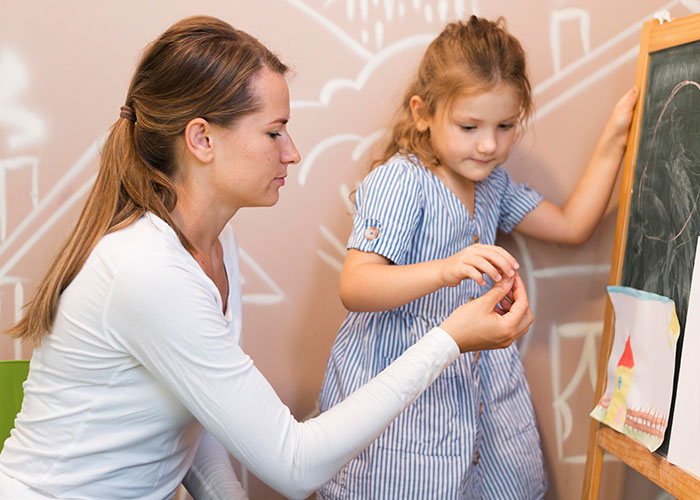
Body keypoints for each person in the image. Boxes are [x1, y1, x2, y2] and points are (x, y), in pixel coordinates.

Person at [0, 15, 535, 500]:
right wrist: (448, 340)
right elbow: (296, 465)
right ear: (202, 139)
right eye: (274, 131)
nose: (293, 152)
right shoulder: (147, 272)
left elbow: (196, 410)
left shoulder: (213, 245)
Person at [317, 15, 638, 500]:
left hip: (481, 384)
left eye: (505, 126)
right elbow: (357, 286)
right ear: (423, 112)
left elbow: (573, 226)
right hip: (410, 392)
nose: (489, 145)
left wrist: (616, 136)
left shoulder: (492, 185)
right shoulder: (402, 180)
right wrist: (446, 269)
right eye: (469, 126)